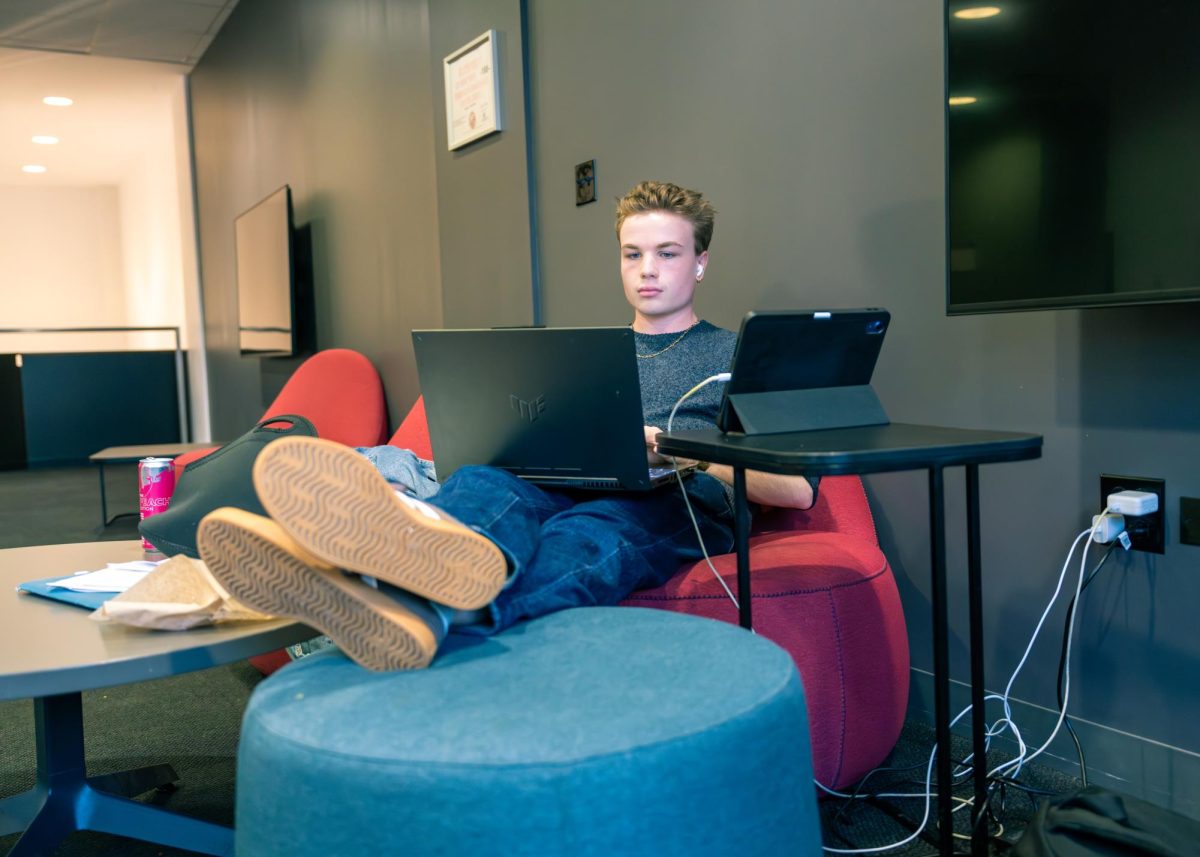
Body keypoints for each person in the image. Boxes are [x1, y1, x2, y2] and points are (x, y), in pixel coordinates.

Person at [197, 180, 816, 671]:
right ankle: (384, 567)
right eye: (633, 254)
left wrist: (671, 448)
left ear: (700, 264)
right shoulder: (583, 355)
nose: (646, 269)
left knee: (588, 533)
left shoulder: (734, 354)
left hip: (673, 498)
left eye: (667, 253)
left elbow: (795, 489)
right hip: (569, 477)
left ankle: (410, 612)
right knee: (488, 482)